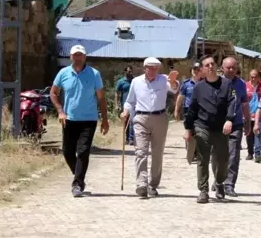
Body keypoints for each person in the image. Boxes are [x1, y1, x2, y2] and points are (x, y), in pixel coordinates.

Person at [51, 44, 109, 197]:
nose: (78, 58)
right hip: (69, 119)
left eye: (81, 55)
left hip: (89, 120)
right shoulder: (63, 73)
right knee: (67, 151)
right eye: (75, 55)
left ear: (85, 57)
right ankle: (79, 177)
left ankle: (77, 184)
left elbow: (101, 98)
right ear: (70, 57)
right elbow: (53, 93)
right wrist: (60, 111)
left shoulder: (94, 74)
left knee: (83, 151)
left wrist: (105, 120)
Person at [121, 57, 179, 198]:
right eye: (149, 67)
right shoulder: (136, 82)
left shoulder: (164, 80)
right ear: (144, 68)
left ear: (158, 69)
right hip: (140, 118)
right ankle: (142, 184)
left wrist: (173, 81)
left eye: (155, 68)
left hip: (160, 118)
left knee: (157, 153)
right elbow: (130, 101)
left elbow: (174, 88)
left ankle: (153, 184)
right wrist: (125, 111)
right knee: (140, 152)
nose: (152, 70)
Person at [183, 55, 237, 203]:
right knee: (202, 158)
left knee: (223, 159)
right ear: (202, 70)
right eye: (207, 65)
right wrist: (188, 129)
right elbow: (192, 109)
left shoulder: (226, 84)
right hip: (203, 126)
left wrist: (229, 120)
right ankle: (203, 190)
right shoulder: (198, 87)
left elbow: (232, 103)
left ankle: (219, 182)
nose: (210, 66)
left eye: (212, 64)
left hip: (221, 128)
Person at [220, 57, 251, 197]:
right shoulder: (216, 83)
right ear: (222, 68)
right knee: (219, 155)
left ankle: (229, 184)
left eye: (234, 67)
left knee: (233, 155)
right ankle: (219, 180)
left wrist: (248, 123)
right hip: (218, 125)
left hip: (236, 124)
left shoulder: (241, 84)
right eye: (228, 67)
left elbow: (244, 104)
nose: (231, 70)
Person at [245, 69, 261, 163]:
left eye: (255, 76)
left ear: (259, 77)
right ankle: (250, 152)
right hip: (247, 114)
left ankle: (257, 154)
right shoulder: (245, 85)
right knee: (249, 134)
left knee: (257, 133)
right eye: (251, 76)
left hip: (259, 114)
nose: (253, 78)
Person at [116, 66, 135, 145]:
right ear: (125, 72)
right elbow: (117, 93)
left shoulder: (134, 81)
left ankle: (131, 138)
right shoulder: (121, 81)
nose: (130, 73)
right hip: (124, 104)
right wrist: (117, 104)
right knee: (125, 121)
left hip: (134, 104)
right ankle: (126, 138)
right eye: (128, 71)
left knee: (132, 121)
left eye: (131, 71)